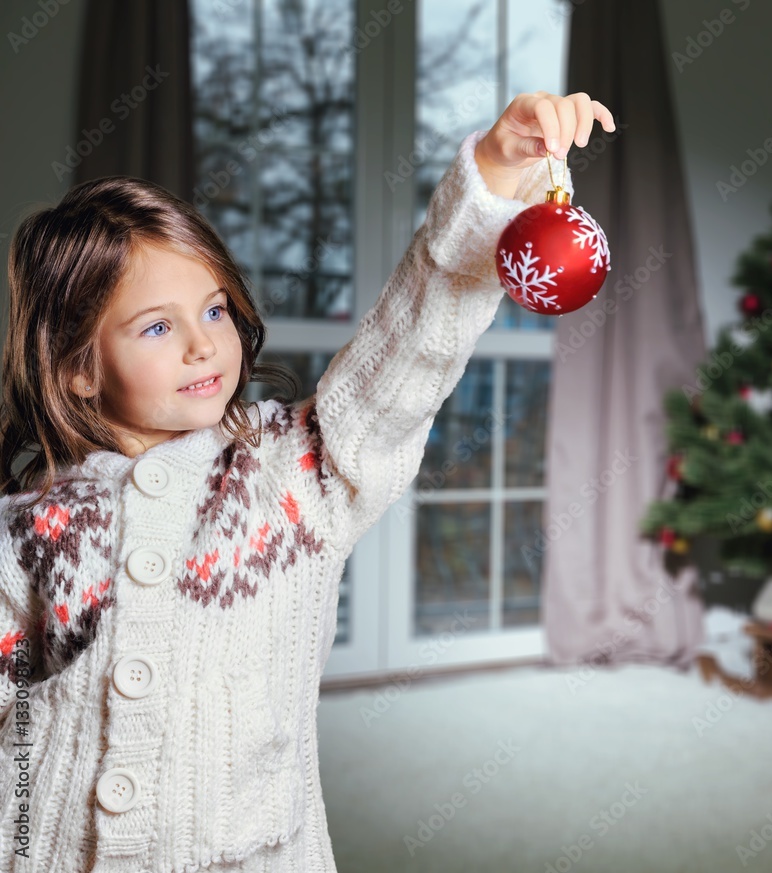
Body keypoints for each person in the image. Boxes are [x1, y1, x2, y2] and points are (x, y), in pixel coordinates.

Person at [0, 91, 615, 872]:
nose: (203, 345)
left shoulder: (288, 470)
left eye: (215, 310)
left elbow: (409, 351)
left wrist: (493, 174)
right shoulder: (27, 525)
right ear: (78, 368)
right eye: (158, 326)